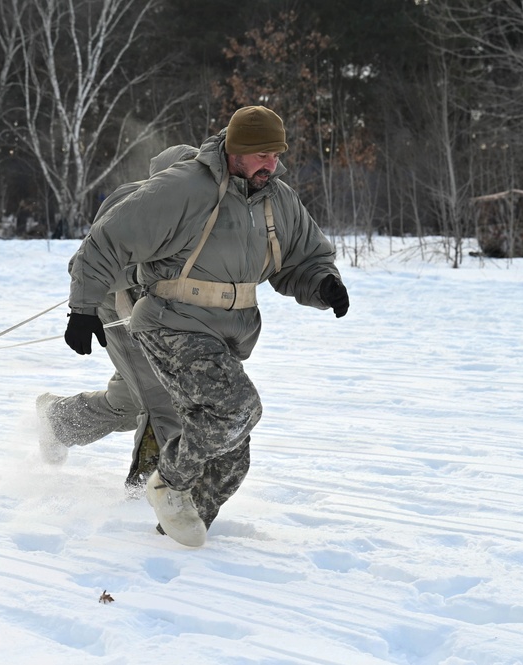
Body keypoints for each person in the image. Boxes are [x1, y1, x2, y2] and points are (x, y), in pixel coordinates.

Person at [64, 106, 351, 547]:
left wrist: (324, 284)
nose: (270, 165)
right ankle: (163, 482)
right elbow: (106, 241)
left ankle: (175, 531)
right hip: (170, 323)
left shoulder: (278, 200)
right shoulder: (182, 189)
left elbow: (305, 257)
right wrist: (83, 310)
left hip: (227, 333)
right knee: (234, 408)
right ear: (235, 150)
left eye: (276, 155)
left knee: (233, 455)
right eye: (260, 155)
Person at [36, 146, 197, 491]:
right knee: (161, 401)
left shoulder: (203, 211)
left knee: (129, 403)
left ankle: (59, 422)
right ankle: (151, 494)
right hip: (119, 309)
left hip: (164, 321)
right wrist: (147, 274)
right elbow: (85, 266)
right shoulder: (135, 203)